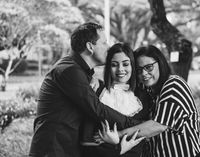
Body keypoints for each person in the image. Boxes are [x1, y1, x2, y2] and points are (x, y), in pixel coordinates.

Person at [28, 22, 141, 157]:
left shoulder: (79, 70)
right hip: (53, 150)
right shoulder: (70, 71)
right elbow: (97, 109)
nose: (108, 47)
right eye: (104, 43)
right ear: (90, 47)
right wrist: (135, 124)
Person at [100, 45, 200, 157]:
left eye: (149, 67)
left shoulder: (173, 85)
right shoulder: (149, 91)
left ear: (160, 63)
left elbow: (158, 125)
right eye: (139, 70)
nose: (144, 73)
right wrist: (94, 78)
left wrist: (120, 134)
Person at [81, 43, 149, 157]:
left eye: (126, 64)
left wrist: (117, 141)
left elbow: (140, 138)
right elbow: (87, 138)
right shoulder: (98, 91)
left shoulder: (142, 97)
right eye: (114, 65)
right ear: (108, 67)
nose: (120, 69)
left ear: (132, 66)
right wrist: (116, 147)